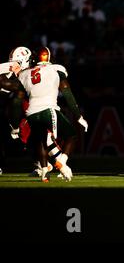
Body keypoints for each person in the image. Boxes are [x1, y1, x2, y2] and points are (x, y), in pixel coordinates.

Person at [11, 46, 88, 182]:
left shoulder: (25, 74)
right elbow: (66, 92)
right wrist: (78, 116)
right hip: (48, 109)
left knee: (41, 140)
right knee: (71, 135)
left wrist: (15, 125)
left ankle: (44, 172)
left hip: (31, 112)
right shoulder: (56, 69)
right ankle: (62, 162)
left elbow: (16, 102)